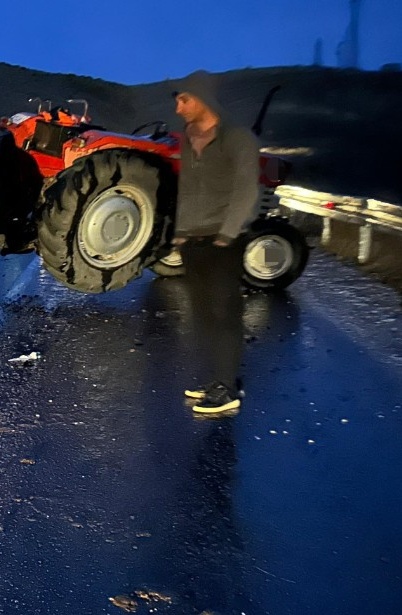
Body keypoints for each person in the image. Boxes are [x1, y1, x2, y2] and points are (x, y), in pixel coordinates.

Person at [171, 70, 260, 415]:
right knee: (204, 314)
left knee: (225, 314)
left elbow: (246, 189)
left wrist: (228, 233)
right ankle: (218, 379)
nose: (178, 108)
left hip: (224, 240)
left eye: (184, 99)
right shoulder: (186, 137)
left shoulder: (237, 137)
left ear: (204, 97)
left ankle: (226, 391)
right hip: (192, 239)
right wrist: (180, 232)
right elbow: (187, 189)